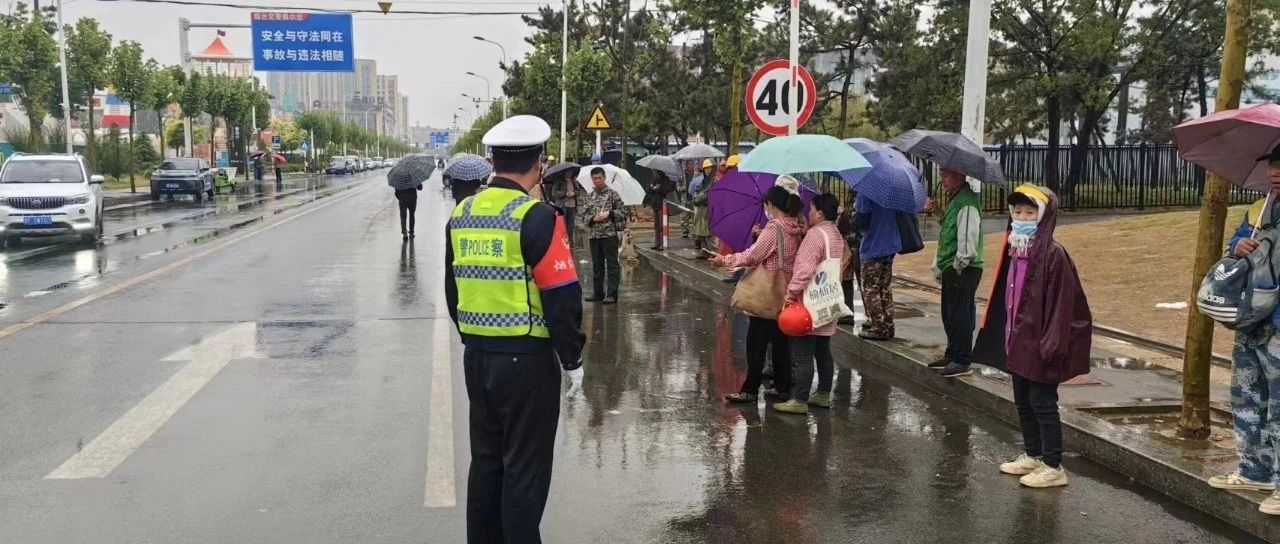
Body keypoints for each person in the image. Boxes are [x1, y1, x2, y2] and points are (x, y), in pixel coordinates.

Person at [444, 114, 586, 543]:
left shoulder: (462, 213)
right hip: (527, 362)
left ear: (491, 160)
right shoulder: (538, 218)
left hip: (478, 358)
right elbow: (562, 300)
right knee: (525, 468)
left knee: (486, 462)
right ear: (539, 162)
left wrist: (476, 337)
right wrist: (573, 359)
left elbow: (452, 293)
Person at [973, 185, 1091, 489]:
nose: (1022, 216)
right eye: (1018, 211)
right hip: (1018, 341)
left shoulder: (1054, 255)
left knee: (1042, 403)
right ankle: (1034, 454)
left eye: (1029, 212)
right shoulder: (1017, 248)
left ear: (1044, 215)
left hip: (1040, 345)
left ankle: (1053, 465)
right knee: (1023, 402)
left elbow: (1063, 304)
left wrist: (1052, 343)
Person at [1208, 146, 1280, 515]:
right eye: (1272, 165)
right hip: (1252, 319)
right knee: (1247, 396)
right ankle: (1255, 470)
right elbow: (1232, 247)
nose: (1275, 173)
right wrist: (1239, 245)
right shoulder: (1260, 209)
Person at [711, 176, 805, 404]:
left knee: (756, 343)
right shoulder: (797, 225)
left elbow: (752, 256)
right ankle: (782, 387)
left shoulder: (774, 228)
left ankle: (750, 389)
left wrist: (725, 260)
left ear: (771, 205)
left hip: (767, 294)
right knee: (781, 343)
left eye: (767, 206)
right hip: (786, 292)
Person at [774, 193, 845, 414]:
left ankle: (800, 400)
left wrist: (791, 293)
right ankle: (823, 393)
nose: (808, 213)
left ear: (820, 213)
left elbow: (805, 269)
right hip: (828, 299)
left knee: (803, 352)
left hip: (810, 302)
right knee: (823, 350)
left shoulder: (815, 235)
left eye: (811, 210)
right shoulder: (834, 233)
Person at [932, 168, 985, 378]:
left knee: (960, 314)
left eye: (945, 175)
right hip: (952, 266)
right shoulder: (957, 199)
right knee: (950, 313)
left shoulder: (967, 202)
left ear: (960, 175)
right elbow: (950, 226)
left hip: (963, 267)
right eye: (941, 174)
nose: (942, 180)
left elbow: (967, 239)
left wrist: (958, 265)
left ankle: (962, 360)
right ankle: (953, 352)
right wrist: (937, 211)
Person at [854, 193, 901, 340]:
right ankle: (888, 324)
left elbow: (862, 222)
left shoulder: (865, 194)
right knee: (884, 287)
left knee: (870, 287)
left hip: (873, 246)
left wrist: (853, 218)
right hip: (890, 245)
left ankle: (878, 327)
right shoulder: (892, 193)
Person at [581, 166, 626, 304]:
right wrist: (593, 218)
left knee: (612, 265)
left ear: (604, 178)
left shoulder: (612, 195)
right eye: (595, 178)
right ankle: (598, 293)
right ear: (592, 180)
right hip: (594, 236)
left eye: (600, 178)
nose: (597, 180)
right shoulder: (589, 196)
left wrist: (609, 213)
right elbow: (583, 216)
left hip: (609, 235)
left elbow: (624, 211)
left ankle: (611, 294)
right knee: (597, 266)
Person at [690, 159, 716, 257]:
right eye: (706, 168)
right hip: (702, 208)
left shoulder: (714, 181)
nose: (707, 170)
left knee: (709, 233)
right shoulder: (704, 180)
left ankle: (713, 252)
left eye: (709, 168)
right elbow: (701, 192)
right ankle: (704, 251)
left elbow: (708, 194)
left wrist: (699, 198)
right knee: (701, 232)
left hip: (708, 208)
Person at [645, 169, 676, 250]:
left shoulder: (665, 179)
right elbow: (648, 190)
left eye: (655, 171)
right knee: (656, 225)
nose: (653, 173)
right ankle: (657, 242)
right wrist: (653, 188)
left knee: (662, 225)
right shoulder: (653, 179)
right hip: (655, 204)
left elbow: (667, 189)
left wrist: (659, 188)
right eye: (653, 171)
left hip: (662, 205)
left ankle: (663, 243)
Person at [548, 168, 579, 249]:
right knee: (562, 225)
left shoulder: (573, 181)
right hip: (562, 206)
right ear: (564, 172)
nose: (569, 173)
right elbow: (554, 193)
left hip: (572, 206)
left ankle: (570, 243)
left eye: (571, 171)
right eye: (568, 171)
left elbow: (578, 191)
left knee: (571, 226)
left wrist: (574, 193)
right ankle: (561, 244)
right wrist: (565, 194)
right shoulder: (558, 180)